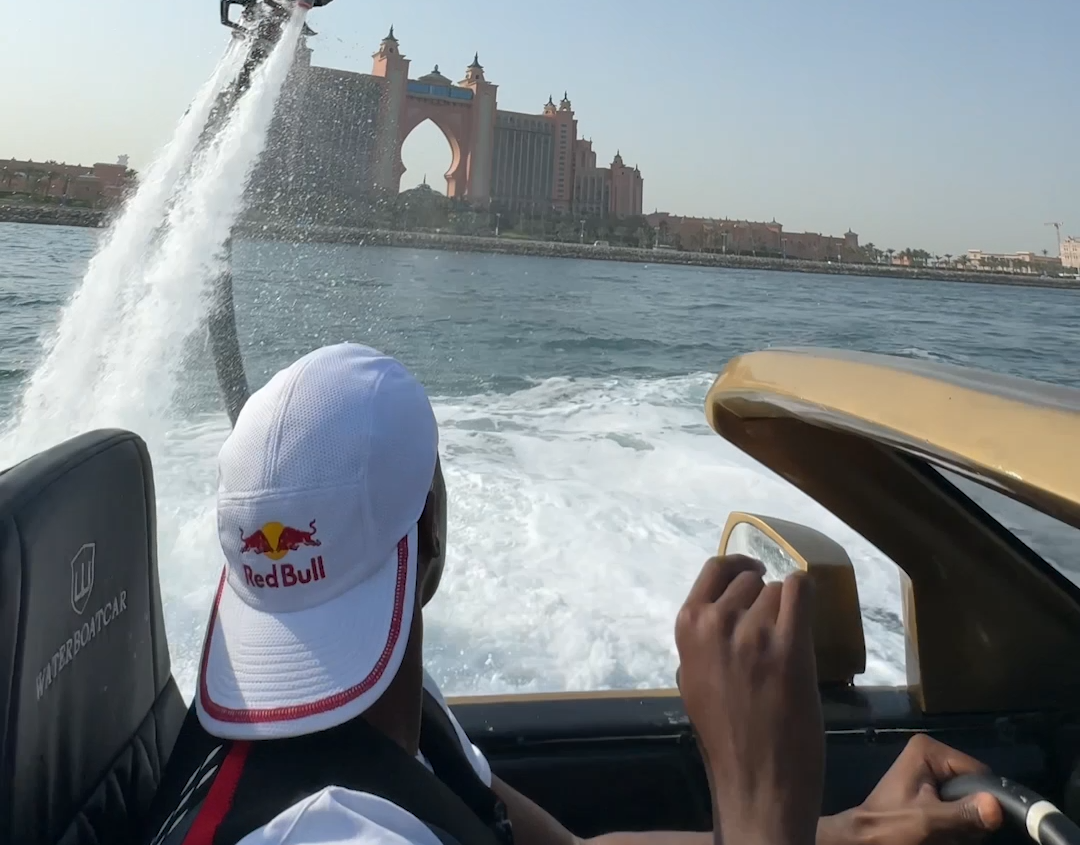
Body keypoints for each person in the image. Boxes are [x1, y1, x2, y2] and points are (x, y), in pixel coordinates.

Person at [151, 343, 1005, 845]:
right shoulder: (337, 835)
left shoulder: (378, 716)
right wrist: (758, 792)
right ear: (436, 535)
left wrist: (837, 832)